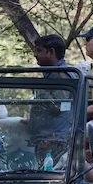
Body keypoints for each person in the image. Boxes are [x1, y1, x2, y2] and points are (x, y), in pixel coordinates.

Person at [30, 34, 76, 164]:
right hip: (50, 138)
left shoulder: (61, 75)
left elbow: (58, 106)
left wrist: (39, 88)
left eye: (39, 50)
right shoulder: (54, 74)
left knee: (50, 173)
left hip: (54, 140)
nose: (35, 54)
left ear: (51, 52)